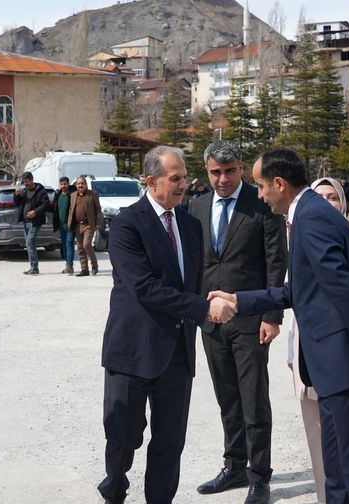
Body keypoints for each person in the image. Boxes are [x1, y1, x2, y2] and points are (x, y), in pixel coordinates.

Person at [210, 148, 349, 504]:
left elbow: (346, 292)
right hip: (333, 368)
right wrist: (239, 300)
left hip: (347, 366)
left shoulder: (312, 218)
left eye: (261, 186)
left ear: (279, 183)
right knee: (335, 469)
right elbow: (299, 289)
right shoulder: (306, 215)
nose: (259, 194)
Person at [98, 145, 237, 504]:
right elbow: (144, 288)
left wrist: (216, 301)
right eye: (175, 178)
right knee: (124, 435)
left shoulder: (190, 225)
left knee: (170, 441)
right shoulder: (128, 224)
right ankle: (114, 486)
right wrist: (203, 309)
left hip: (176, 353)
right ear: (151, 181)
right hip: (132, 350)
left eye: (185, 176)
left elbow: (193, 282)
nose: (184, 184)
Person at [189, 141, 287, 504]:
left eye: (229, 172)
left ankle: (260, 476)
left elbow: (277, 261)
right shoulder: (196, 206)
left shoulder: (260, 205)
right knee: (227, 397)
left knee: (253, 401)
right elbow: (197, 262)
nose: (222, 179)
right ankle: (234, 466)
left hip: (250, 319)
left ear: (241, 169)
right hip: (211, 321)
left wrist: (272, 317)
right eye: (215, 172)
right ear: (208, 171)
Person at [285, 176, 349, 504]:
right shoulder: (304, 234)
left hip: (342, 360)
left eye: (333, 197)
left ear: (344, 203)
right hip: (311, 357)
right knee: (325, 451)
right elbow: (298, 299)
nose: (326, 202)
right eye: (319, 195)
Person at [14, 171, 50, 275]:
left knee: (30, 242)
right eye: (24, 181)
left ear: (32, 180)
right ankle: (32, 267)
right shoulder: (24, 191)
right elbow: (17, 203)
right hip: (25, 222)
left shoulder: (40, 191)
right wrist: (16, 195)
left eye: (27, 181)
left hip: (36, 221)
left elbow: (46, 204)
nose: (25, 183)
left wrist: (35, 212)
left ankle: (34, 267)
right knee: (29, 244)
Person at [67, 175, 102, 276]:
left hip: (89, 225)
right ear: (76, 185)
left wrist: (98, 223)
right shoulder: (73, 195)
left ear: (86, 184)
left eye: (82, 183)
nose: (80, 185)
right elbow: (71, 210)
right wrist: (69, 223)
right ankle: (84, 269)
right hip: (77, 225)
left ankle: (94, 265)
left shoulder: (93, 194)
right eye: (78, 184)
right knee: (80, 248)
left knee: (86, 245)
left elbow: (98, 210)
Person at [53, 176, 76, 275]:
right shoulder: (58, 194)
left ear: (68, 183)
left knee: (69, 244)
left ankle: (70, 266)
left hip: (70, 224)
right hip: (61, 225)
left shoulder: (72, 194)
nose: (63, 186)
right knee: (64, 246)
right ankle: (68, 265)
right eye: (61, 184)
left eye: (65, 184)